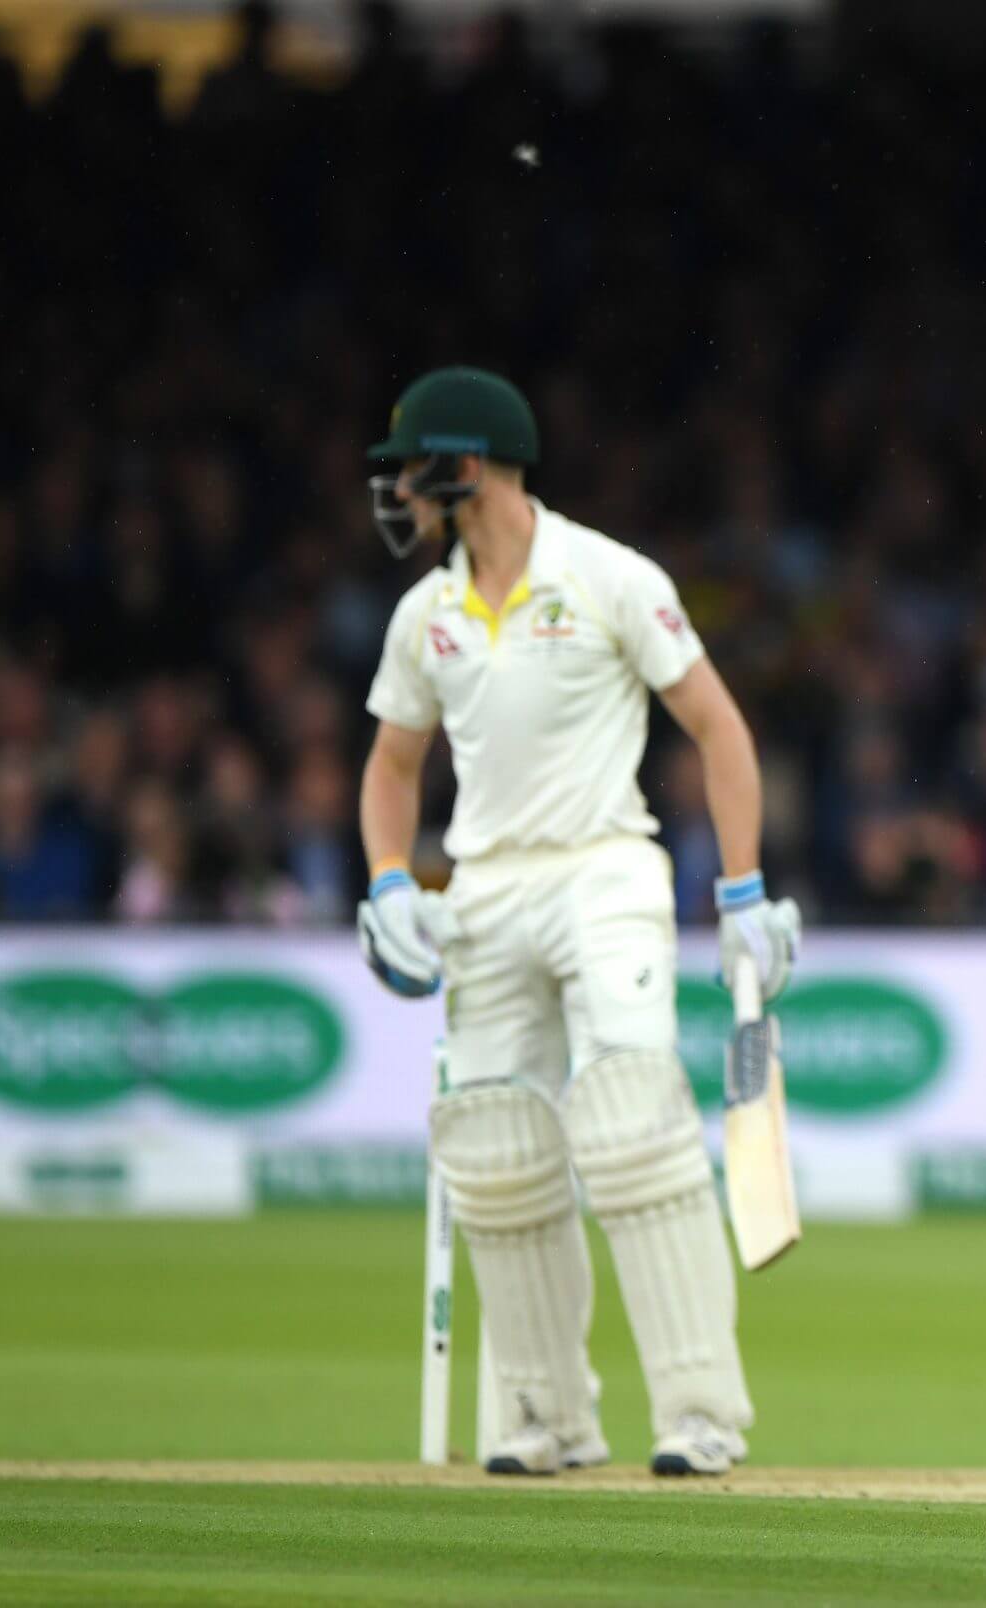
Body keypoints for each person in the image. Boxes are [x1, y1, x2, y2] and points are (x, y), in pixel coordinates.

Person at [354, 367, 800, 1478]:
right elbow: (393, 766)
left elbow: (719, 727)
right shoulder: (425, 616)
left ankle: (700, 1415)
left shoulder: (607, 576)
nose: (398, 492)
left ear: (468, 464)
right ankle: (547, 1417)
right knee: (495, 1149)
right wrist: (389, 882)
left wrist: (742, 890)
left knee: (633, 1126)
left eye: (411, 470)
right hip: (485, 889)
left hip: (604, 871)